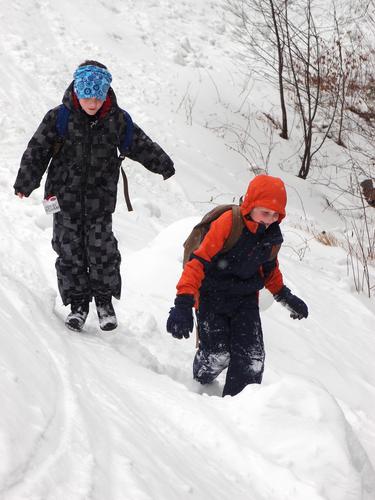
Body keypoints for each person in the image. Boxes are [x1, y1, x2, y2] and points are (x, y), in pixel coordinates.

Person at [14, 60, 175, 332]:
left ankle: (103, 301)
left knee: (102, 250)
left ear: (105, 94)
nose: (92, 102)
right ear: (77, 91)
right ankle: (77, 304)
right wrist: (25, 182)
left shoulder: (117, 120)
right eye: (87, 96)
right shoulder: (59, 118)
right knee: (68, 250)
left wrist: (162, 163)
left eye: (98, 97)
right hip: (61, 199)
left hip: (100, 200)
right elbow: (37, 150)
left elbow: (140, 143)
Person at [166, 174, 308, 397]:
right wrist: (183, 302)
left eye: (276, 214)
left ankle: (238, 412)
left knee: (251, 359)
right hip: (211, 296)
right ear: (250, 205)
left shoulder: (271, 236)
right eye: (265, 212)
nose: (270, 219)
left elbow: (269, 270)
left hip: (245, 300)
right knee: (217, 354)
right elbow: (197, 263)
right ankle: (201, 376)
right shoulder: (228, 223)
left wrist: (285, 296)